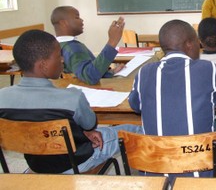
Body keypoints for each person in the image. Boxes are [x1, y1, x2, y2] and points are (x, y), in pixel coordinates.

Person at [0, 29, 142, 174]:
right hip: (76, 163)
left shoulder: (2, 97)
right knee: (135, 130)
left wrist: (82, 132)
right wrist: (85, 131)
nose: (62, 59)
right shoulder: (71, 98)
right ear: (43, 65)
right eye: (58, 55)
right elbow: (90, 124)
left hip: (37, 165)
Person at [129, 19, 216, 181]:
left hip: (154, 173)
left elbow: (135, 106)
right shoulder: (208, 69)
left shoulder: (144, 72)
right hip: (202, 172)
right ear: (190, 44)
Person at [51, 5, 125, 85]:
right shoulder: (72, 48)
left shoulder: (58, 45)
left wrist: (111, 72)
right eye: (77, 17)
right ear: (63, 23)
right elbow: (90, 76)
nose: (82, 20)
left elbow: (84, 70)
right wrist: (112, 42)